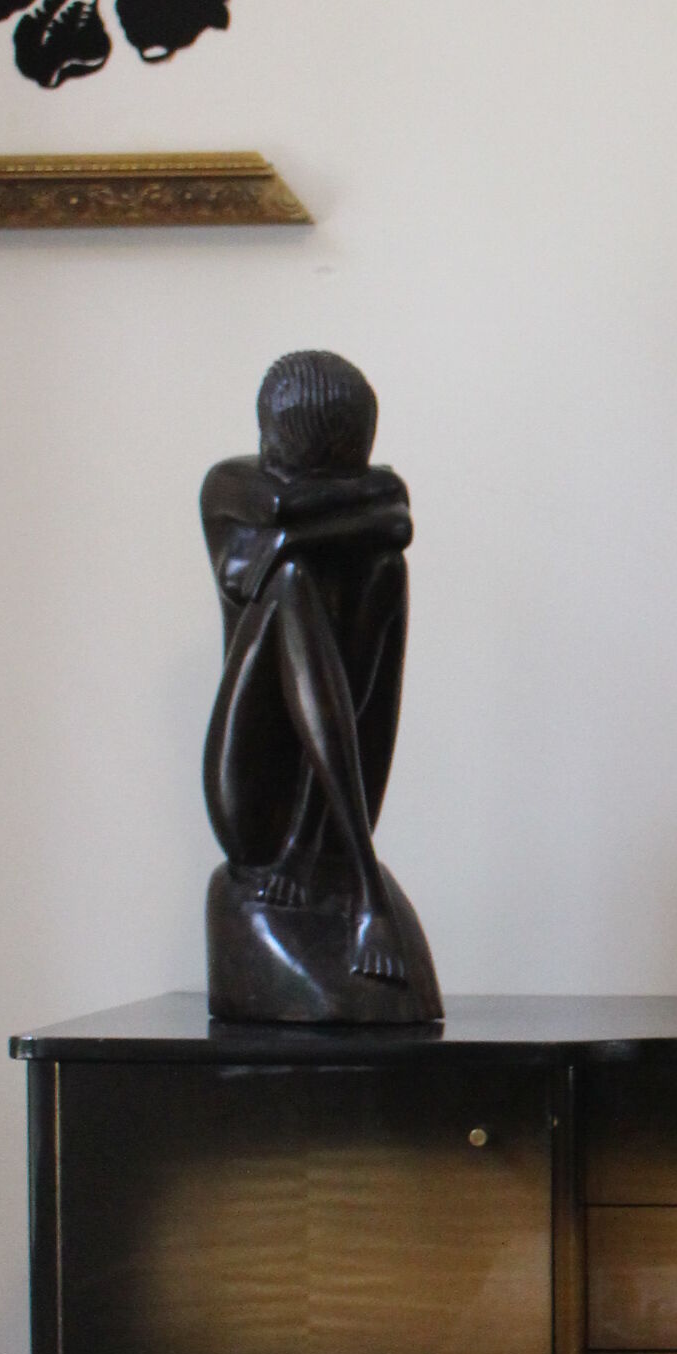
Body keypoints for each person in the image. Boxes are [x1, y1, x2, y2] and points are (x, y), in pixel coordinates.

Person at [201, 349, 441, 1024]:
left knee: (386, 570)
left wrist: (280, 541)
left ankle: (335, 860)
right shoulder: (228, 487)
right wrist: (297, 542)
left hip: (334, 807)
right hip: (253, 801)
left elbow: (394, 523)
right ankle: (366, 884)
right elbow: (304, 505)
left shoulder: (323, 504)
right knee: (294, 584)